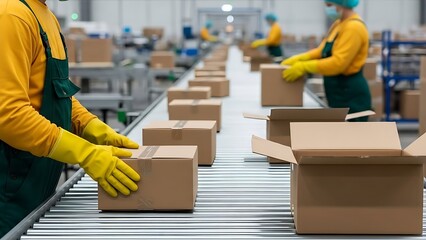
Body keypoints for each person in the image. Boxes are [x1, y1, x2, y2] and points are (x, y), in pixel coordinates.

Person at [0, 0, 141, 236]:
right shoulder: (11, 15)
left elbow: (56, 91)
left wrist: (90, 125)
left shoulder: (45, 16)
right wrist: (84, 152)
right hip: (8, 189)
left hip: (34, 183)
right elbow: (8, 114)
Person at [282, 0, 371, 122]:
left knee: (352, 138)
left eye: (330, 5)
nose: (327, 9)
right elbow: (322, 50)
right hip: (338, 92)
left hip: (350, 94)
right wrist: (300, 57)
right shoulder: (338, 24)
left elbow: (338, 64)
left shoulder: (354, 27)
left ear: (342, 4)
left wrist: (304, 66)